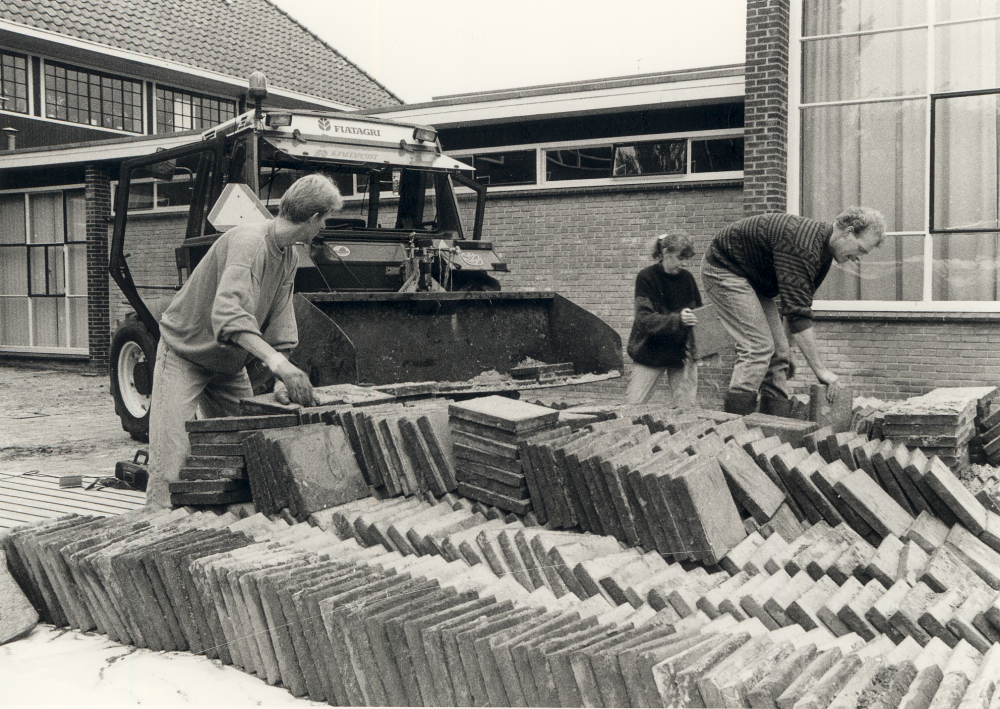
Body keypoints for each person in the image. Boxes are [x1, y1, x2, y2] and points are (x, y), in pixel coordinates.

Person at [145, 173, 343, 509]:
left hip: (227, 365)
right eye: (324, 220)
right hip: (185, 353)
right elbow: (228, 316)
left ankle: (217, 522)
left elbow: (281, 320)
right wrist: (280, 364)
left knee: (243, 447)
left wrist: (282, 377)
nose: (322, 229)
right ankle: (157, 528)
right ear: (313, 218)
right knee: (171, 459)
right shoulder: (249, 242)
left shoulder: (290, 256)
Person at [700, 207, 886, 416]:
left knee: (780, 353)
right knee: (758, 347)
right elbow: (798, 317)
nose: (856, 259)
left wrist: (788, 349)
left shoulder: (824, 254)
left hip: (751, 278)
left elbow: (795, 307)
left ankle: (776, 425)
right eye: (860, 249)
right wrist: (821, 371)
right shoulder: (805, 247)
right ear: (848, 231)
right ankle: (733, 428)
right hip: (724, 268)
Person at [625, 232, 702, 407]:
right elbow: (644, 320)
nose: (684, 263)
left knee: (686, 411)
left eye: (686, 259)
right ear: (666, 252)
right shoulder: (646, 277)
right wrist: (678, 320)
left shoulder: (688, 279)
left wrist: (704, 346)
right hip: (650, 352)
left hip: (680, 356)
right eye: (680, 258)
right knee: (632, 407)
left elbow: (699, 314)